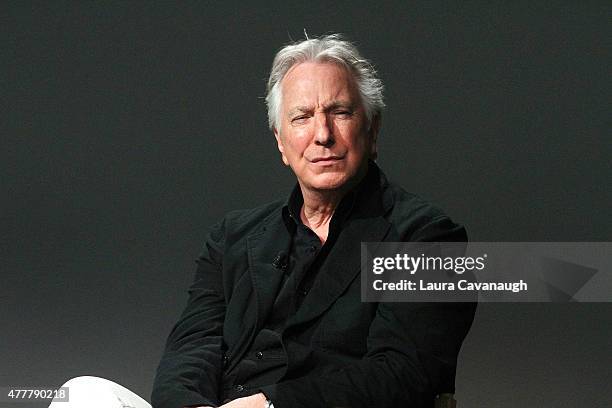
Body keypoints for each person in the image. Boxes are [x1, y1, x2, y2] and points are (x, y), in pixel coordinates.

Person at [150, 34, 476, 408]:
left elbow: (401, 373)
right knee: (78, 393)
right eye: (302, 117)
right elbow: (191, 346)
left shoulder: (426, 238)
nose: (322, 135)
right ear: (280, 142)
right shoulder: (231, 237)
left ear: (372, 131)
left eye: (340, 113)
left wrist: (267, 405)